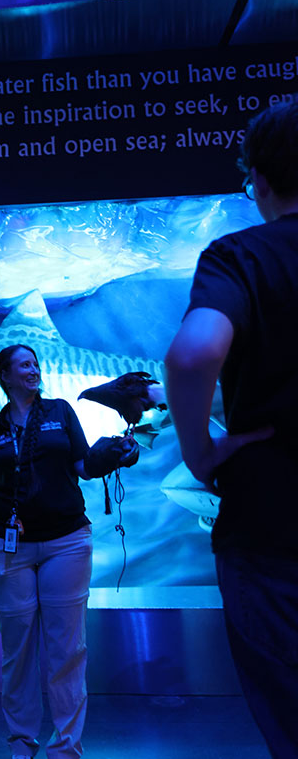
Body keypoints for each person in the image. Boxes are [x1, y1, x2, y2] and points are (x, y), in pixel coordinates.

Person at [164, 99, 298, 758]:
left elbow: (192, 355)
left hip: (272, 525)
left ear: (261, 182)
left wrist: (201, 455)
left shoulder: (240, 257)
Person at [0, 343, 138, 759]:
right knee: (18, 650)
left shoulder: (61, 411)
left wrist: (115, 456)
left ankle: (65, 746)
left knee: (66, 649)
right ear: (4, 376)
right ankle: (22, 742)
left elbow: (82, 466)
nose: (34, 369)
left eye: (36, 363)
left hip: (66, 542)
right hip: (10, 549)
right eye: (24, 365)